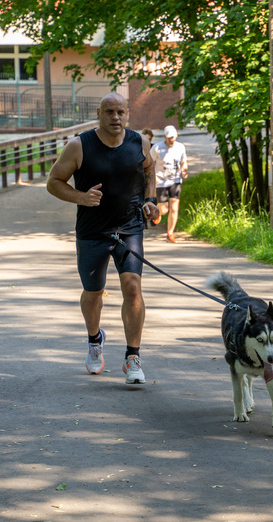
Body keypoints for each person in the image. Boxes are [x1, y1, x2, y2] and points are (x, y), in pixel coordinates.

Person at [46, 92, 159, 384]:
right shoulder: (79, 146)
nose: (116, 117)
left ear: (128, 113)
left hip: (130, 228)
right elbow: (54, 182)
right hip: (93, 232)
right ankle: (95, 340)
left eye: (120, 112)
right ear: (99, 113)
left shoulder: (139, 142)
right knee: (93, 293)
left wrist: (150, 199)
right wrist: (81, 197)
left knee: (132, 287)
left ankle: (132, 357)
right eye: (109, 112)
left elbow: (150, 169)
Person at [150, 125, 188, 243]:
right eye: (169, 137)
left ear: (176, 135)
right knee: (165, 209)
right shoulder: (157, 148)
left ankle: (170, 233)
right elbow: (149, 162)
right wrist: (153, 176)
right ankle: (157, 213)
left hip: (175, 180)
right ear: (164, 136)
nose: (171, 139)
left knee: (174, 207)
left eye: (173, 137)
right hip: (161, 181)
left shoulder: (180, 147)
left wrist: (184, 169)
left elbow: (184, 161)